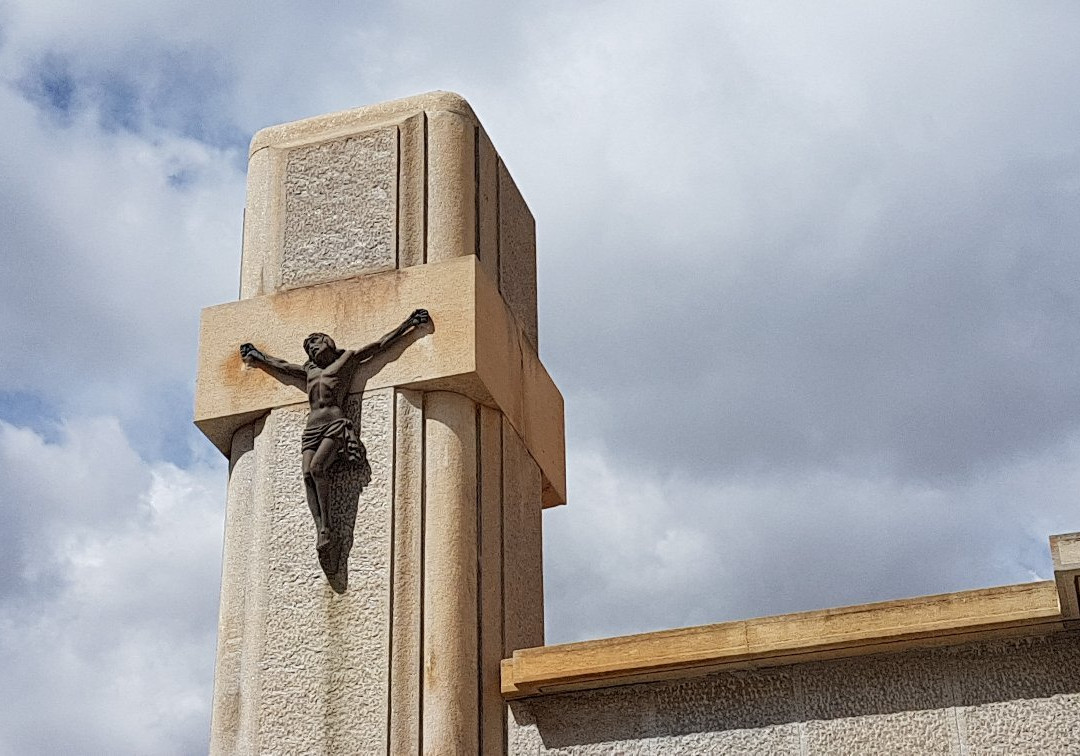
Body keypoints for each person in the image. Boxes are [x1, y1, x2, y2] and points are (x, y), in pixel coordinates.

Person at [240, 309, 430, 552]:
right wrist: (257, 355)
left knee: (318, 468)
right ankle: (320, 526)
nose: (312, 349)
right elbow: (283, 367)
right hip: (312, 429)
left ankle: (326, 527)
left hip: (335, 425)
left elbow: (380, 345)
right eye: (308, 348)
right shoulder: (310, 371)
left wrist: (409, 324)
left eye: (315, 343)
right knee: (308, 475)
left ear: (327, 342)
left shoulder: (346, 360)